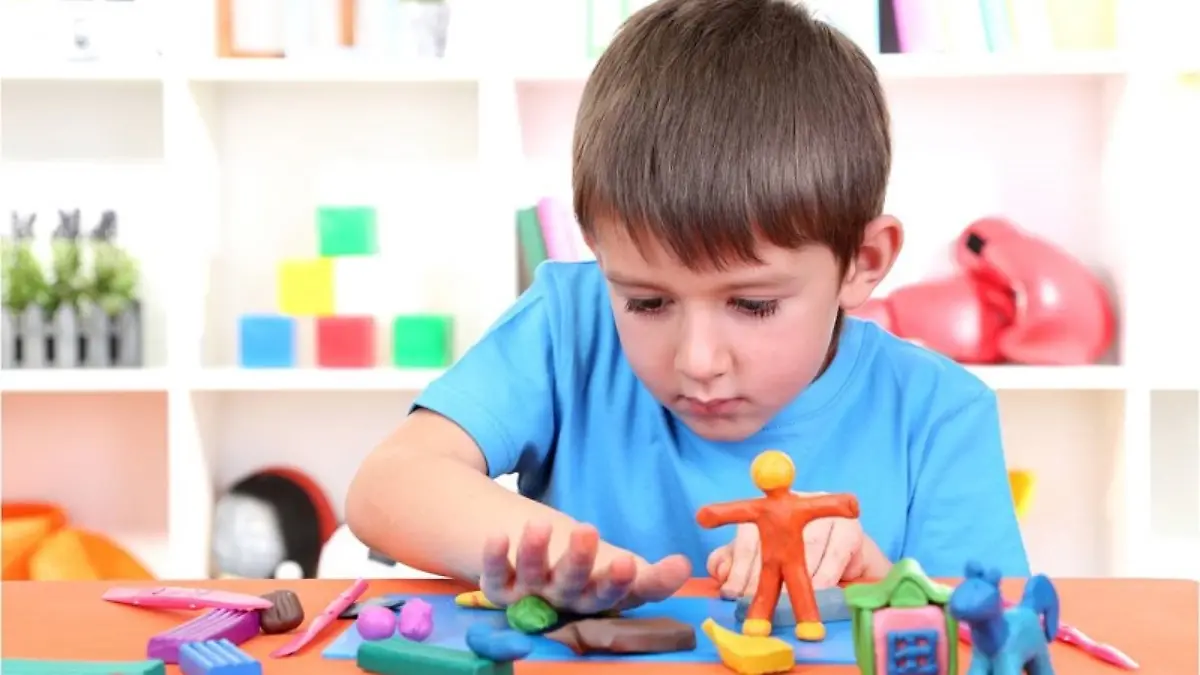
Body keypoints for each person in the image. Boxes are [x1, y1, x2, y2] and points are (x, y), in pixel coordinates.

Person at [346, 0, 1029, 615]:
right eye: (646, 301)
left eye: (753, 304)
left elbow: (991, 635)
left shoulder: (939, 412)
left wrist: (875, 581)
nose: (698, 361)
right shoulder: (568, 326)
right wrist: (561, 554)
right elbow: (388, 485)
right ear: (598, 249)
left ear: (864, 262)